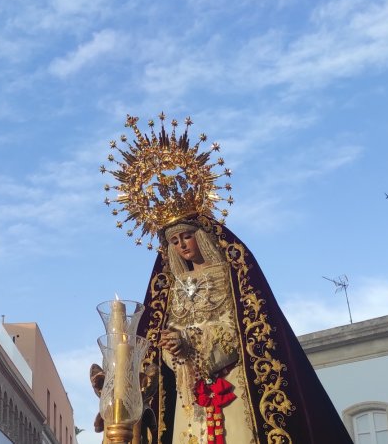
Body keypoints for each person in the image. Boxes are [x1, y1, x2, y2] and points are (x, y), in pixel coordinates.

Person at [95, 115, 353, 444]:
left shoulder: (231, 275)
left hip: (231, 381)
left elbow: (242, 326)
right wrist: (174, 351)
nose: (182, 246)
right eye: (174, 242)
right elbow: (165, 339)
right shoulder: (173, 289)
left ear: (202, 236)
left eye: (186, 236)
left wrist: (197, 350)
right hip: (190, 394)